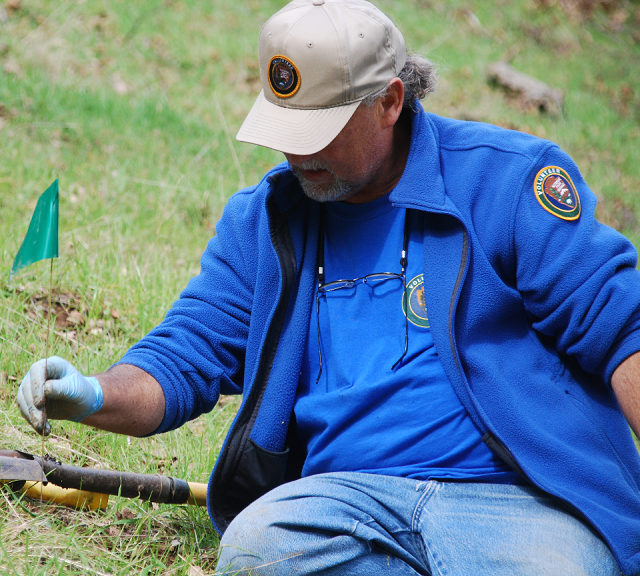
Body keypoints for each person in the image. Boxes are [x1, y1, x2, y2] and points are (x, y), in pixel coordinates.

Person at [16, 0, 640, 574]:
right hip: (345, 504)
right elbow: (187, 353)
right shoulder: (266, 219)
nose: (298, 156)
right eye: (286, 132)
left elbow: (621, 329)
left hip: (514, 499)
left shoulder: (507, 183)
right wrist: (94, 394)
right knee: (257, 547)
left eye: (320, 133)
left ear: (390, 102)